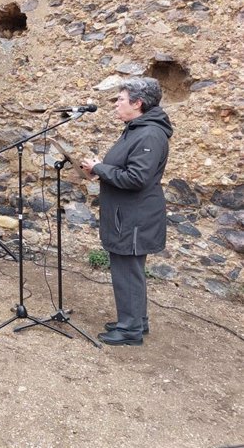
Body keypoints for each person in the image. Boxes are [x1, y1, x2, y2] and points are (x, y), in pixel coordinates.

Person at [81, 77, 173, 347]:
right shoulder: (136, 129)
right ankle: (136, 321)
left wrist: (100, 168)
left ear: (138, 103)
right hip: (128, 214)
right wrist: (102, 171)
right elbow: (127, 169)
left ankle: (130, 330)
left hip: (135, 217)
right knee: (129, 270)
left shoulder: (149, 134)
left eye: (120, 99)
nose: (115, 105)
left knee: (127, 271)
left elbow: (137, 178)